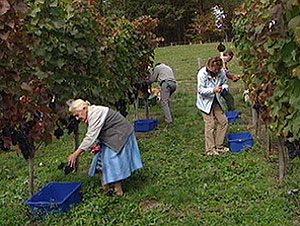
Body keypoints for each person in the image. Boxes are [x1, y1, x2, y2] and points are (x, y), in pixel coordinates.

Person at [67, 99, 143, 197]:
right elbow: (96, 132)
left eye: (77, 115)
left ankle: (118, 191)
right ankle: (105, 188)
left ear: (84, 108)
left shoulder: (95, 113)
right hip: (111, 135)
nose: (77, 118)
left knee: (111, 160)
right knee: (99, 159)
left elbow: (90, 136)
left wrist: (75, 154)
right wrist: (96, 144)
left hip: (120, 134)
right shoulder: (91, 113)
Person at [196, 57, 229, 156]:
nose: (214, 71)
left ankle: (219, 146)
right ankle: (210, 149)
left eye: (216, 70)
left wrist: (223, 88)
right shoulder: (202, 73)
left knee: (223, 121)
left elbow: (225, 84)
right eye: (213, 69)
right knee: (210, 125)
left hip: (216, 100)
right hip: (205, 102)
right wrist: (213, 90)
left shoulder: (221, 72)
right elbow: (200, 90)